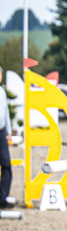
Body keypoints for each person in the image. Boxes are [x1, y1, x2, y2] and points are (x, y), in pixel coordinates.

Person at [0, 66, 13, 209]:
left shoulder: (2, 92)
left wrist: (9, 131)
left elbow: (6, 113)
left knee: (6, 165)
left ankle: (2, 198)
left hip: (1, 132)